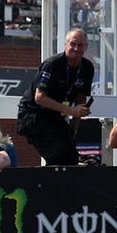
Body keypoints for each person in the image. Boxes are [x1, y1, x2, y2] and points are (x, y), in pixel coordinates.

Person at [16, 28, 94, 166]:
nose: (76, 48)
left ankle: (66, 186)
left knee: (72, 156)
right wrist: (71, 111)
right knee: (58, 155)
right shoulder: (52, 64)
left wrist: (74, 128)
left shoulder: (87, 68)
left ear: (85, 48)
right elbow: (39, 98)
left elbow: (81, 99)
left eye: (80, 45)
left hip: (54, 117)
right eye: (72, 44)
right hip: (34, 115)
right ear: (66, 45)